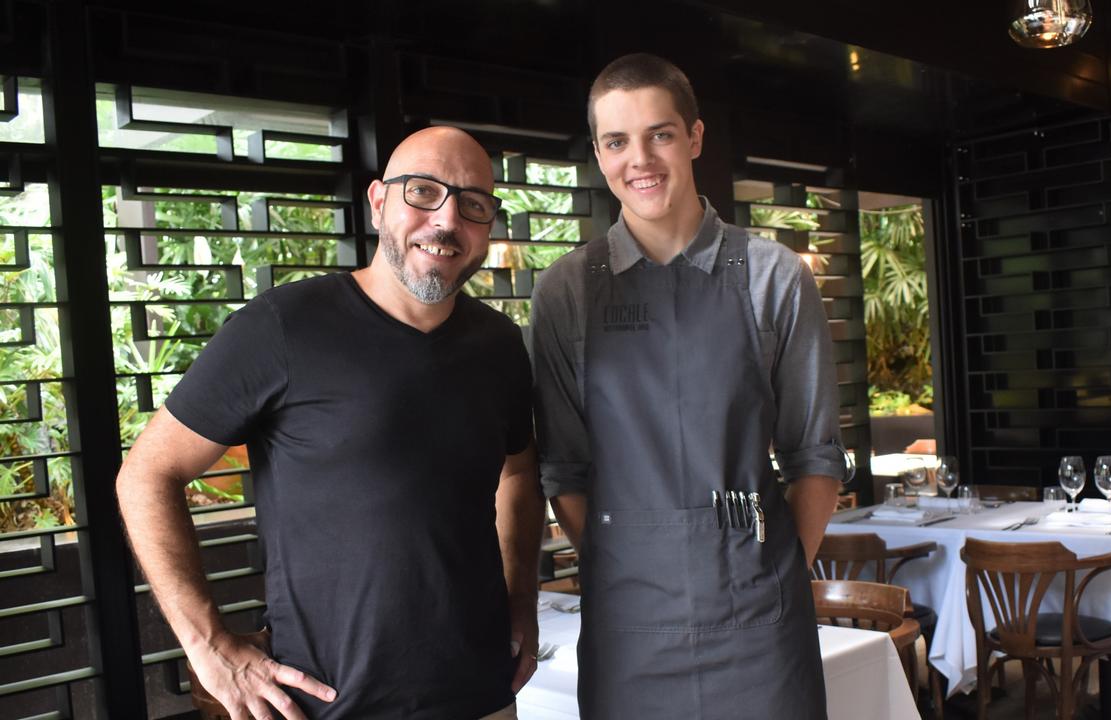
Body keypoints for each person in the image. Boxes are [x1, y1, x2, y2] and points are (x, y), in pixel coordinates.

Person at [117, 126, 544, 720]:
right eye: (422, 191)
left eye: (472, 203)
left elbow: (518, 473)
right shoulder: (284, 327)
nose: (446, 220)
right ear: (377, 202)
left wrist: (522, 598)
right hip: (328, 702)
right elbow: (145, 474)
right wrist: (209, 646)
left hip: (483, 694)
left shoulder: (499, 345)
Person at [531, 54, 845, 718]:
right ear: (598, 153)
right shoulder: (566, 292)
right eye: (617, 141)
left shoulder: (775, 277)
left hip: (762, 630)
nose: (639, 158)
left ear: (695, 137)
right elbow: (565, 470)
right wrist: (631, 573)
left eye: (660, 134)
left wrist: (770, 576)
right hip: (629, 634)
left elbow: (814, 461)